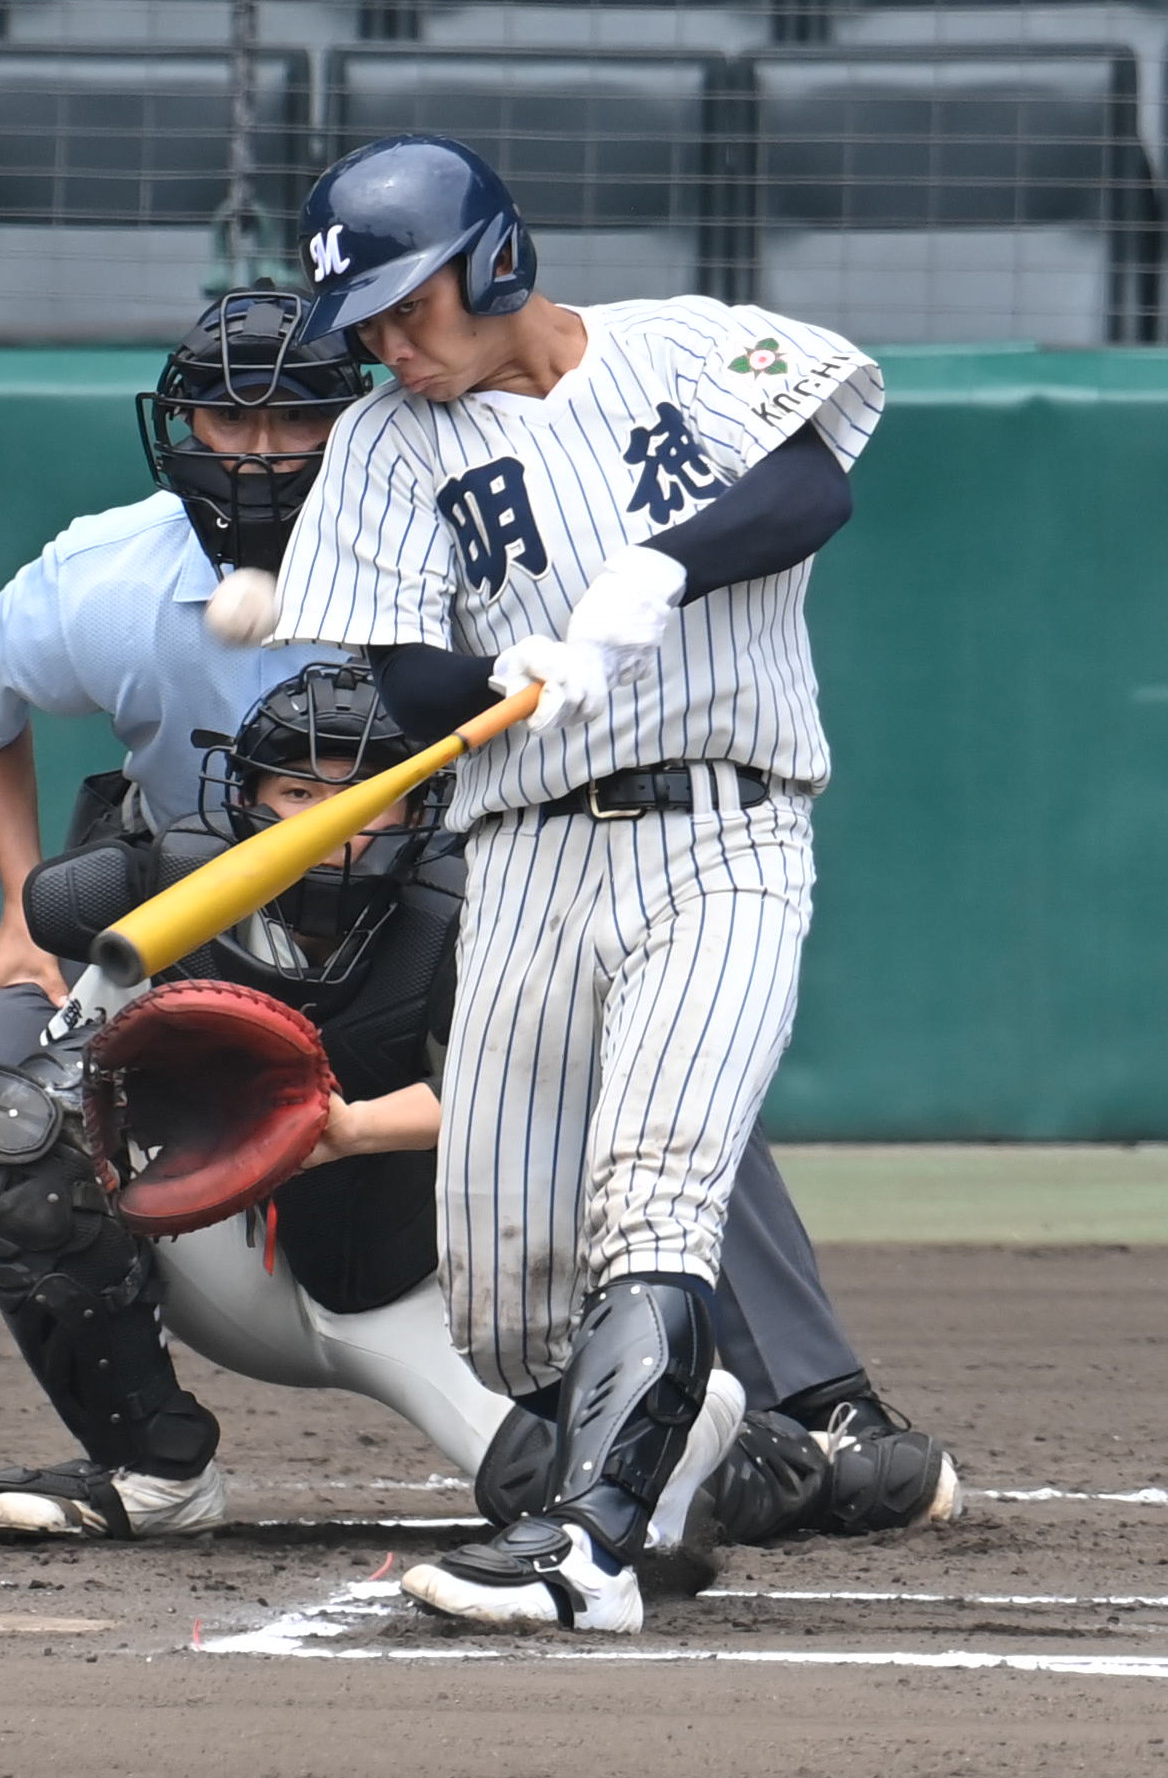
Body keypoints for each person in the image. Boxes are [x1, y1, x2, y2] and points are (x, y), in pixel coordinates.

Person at [269, 133, 926, 1632]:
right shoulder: (383, 444)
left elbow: (814, 485)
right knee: (504, 1299)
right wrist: (483, 672)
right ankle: (709, 1457)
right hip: (524, 855)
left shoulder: (684, 346)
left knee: (661, 1184)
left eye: (402, 303)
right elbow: (393, 659)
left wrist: (661, 569)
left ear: (493, 258)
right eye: (360, 320)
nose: (386, 341)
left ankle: (588, 1548)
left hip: (726, 825)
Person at [0, 287, 369, 1520]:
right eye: (221, 416)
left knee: (645, 1048)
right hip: (176, 930)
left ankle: (808, 1407)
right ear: (176, 423)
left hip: (405, 924)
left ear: (354, 418)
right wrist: (10, 904)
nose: (253, 451)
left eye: (293, 417)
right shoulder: (110, 572)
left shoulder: (437, 556)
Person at [0, 662, 747, 1542]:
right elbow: (64, 1073)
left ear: (417, 808)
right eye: (298, 790)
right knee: (16, 1125)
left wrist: (349, 1127)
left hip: (419, 1290)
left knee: (582, 1498)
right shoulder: (170, 882)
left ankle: (787, 1460)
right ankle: (155, 1470)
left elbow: (533, 1101)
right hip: (223, 1250)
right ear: (245, 794)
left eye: (369, 794)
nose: (332, 824)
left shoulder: (472, 909)